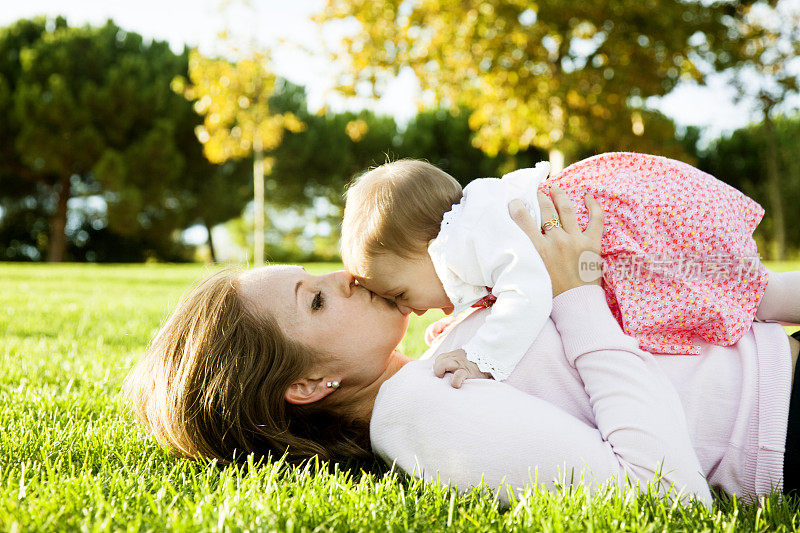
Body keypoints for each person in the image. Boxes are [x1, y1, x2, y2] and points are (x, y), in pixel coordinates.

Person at [123, 188, 800, 508]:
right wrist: (575, 291)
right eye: (316, 299)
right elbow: (664, 495)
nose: (341, 275)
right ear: (308, 383)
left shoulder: (432, 360)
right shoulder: (419, 413)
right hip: (783, 417)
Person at [340, 153, 777, 386]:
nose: (408, 309)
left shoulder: (470, 235)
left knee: (749, 291)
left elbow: (527, 292)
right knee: (740, 289)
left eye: (399, 293)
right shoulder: (469, 229)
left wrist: (481, 358)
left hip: (617, 238)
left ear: (428, 244)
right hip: (612, 237)